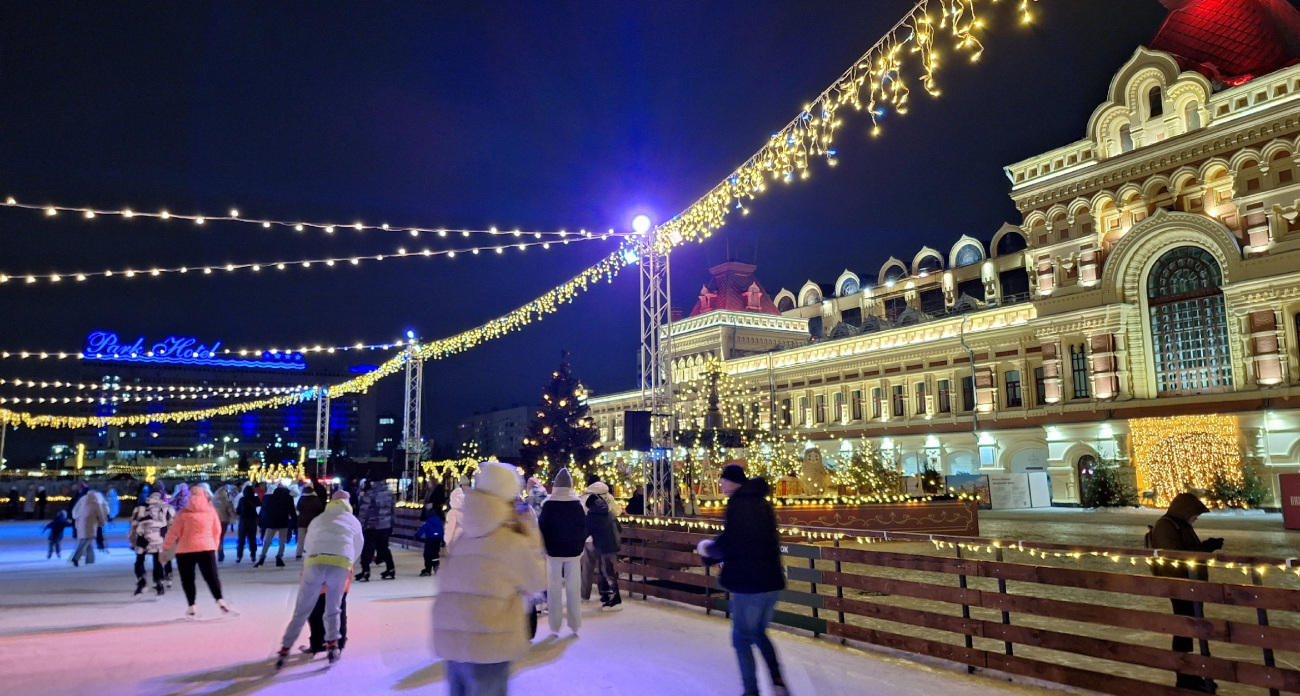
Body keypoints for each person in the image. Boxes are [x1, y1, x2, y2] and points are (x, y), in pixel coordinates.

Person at [433, 462, 546, 696]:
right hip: (489, 642)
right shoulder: (510, 540)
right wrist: (530, 534)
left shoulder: (466, 533)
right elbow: (537, 582)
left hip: (454, 642)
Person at [697, 464, 788, 696]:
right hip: (770, 582)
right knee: (757, 633)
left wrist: (709, 552)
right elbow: (742, 538)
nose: (721, 485)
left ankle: (751, 690)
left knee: (741, 638)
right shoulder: (761, 503)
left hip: (750, 584)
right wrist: (717, 549)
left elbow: (733, 542)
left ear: (735, 482)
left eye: (724, 481)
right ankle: (777, 681)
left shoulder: (739, 504)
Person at [276, 490, 363, 668]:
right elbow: (358, 545)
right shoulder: (353, 521)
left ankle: (285, 648)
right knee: (333, 608)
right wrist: (348, 562)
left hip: (315, 563)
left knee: (302, 609)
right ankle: (332, 645)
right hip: (340, 564)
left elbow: (308, 543)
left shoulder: (320, 519)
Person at [1148, 492, 1222, 693]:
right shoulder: (1166, 526)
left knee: (1192, 630)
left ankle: (1192, 673)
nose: (1196, 517)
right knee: (1184, 631)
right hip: (1180, 587)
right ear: (1185, 511)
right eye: (1195, 513)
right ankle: (1184, 676)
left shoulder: (1181, 525)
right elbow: (1175, 557)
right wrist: (1203, 549)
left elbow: (1188, 550)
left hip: (1192, 586)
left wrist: (1205, 549)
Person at [162, 486, 229, 618]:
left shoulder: (183, 513)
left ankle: (192, 606)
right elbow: (217, 530)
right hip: (206, 548)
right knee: (211, 577)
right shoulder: (211, 512)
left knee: (188, 579)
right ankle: (220, 600)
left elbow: (173, 532)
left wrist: (166, 548)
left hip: (185, 550)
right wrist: (214, 545)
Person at [537, 468, 586, 636]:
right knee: (574, 587)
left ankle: (555, 624)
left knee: (553, 589)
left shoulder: (549, 505)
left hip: (553, 552)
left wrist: (544, 548)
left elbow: (542, 528)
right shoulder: (577, 504)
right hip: (573, 551)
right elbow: (583, 527)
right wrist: (580, 547)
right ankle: (575, 623)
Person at [579, 475, 622, 602]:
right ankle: (604, 594)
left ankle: (584, 595)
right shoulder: (608, 496)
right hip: (605, 536)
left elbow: (581, 515)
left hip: (589, 538)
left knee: (587, 567)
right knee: (605, 568)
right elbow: (617, 511)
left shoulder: (585, 497)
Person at [128, 490, 174, 596]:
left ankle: (141, 581)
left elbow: (133, 524)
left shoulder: (140, 507)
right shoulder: (166, 507)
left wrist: (132, 540)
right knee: (157, 561)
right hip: (158, 537)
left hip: (142, 536)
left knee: (139, 560)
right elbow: (171, 524)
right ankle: (159, 583)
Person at [356, 480, 395, 581]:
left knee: (367, 549)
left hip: (371, 525)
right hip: (385, 525)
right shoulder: (389, 494)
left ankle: (365, 571)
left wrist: (361, 525)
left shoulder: (369, 494)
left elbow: (364, 511)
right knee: (383, 548)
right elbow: (392, 510)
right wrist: (391, 524)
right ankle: (391, 569)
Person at [256, 486, 297, 568]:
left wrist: (261, 522)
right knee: (282, 541)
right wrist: (295, 523)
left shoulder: (267, 498)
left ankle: (262, 557)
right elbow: (292, 511)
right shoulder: (288, 498)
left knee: (267, 541)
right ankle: (279, 557)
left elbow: (263, 510)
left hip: (271, 522)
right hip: (283, 522)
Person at [70, 488, 107, 566]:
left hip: (80, 524)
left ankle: (90, 559)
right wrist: (102, 522)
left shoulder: (82, 501)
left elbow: (75, 511)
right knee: (85, 541)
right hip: (91, 525)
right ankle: (76, 558)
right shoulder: (95, 504)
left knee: (88, 541)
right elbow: (100, 515)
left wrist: (76, 520)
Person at [295, 485, 325, 560]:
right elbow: (320, 508)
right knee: (313, 538)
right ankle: (313, 552)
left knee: (301, 538)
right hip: (313, 521)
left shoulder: (301, 499)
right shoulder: (315, 499)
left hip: (302, 521)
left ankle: (299, 553)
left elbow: (298, 508)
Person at [235, 484, 261, 563]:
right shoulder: (255, 499)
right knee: (252, 538)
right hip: (252, 520)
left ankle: (239, 556)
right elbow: (260, 505)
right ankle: (253, 555)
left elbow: (238, 511)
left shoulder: (242, 499)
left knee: (241, 539)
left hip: (243, 520)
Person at [213, 484, 236, 562]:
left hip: (213, 521)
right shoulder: (227, 502)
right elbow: (231, 512)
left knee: (215, 537)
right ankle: (220, 553)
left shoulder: (213, 501)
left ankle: (215, 552)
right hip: (223, 521)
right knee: (221, 538)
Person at [444, 485, 467, 550]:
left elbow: (450, 527)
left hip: (456, 540)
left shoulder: (452, 512)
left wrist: (447, 541)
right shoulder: (466, 511)